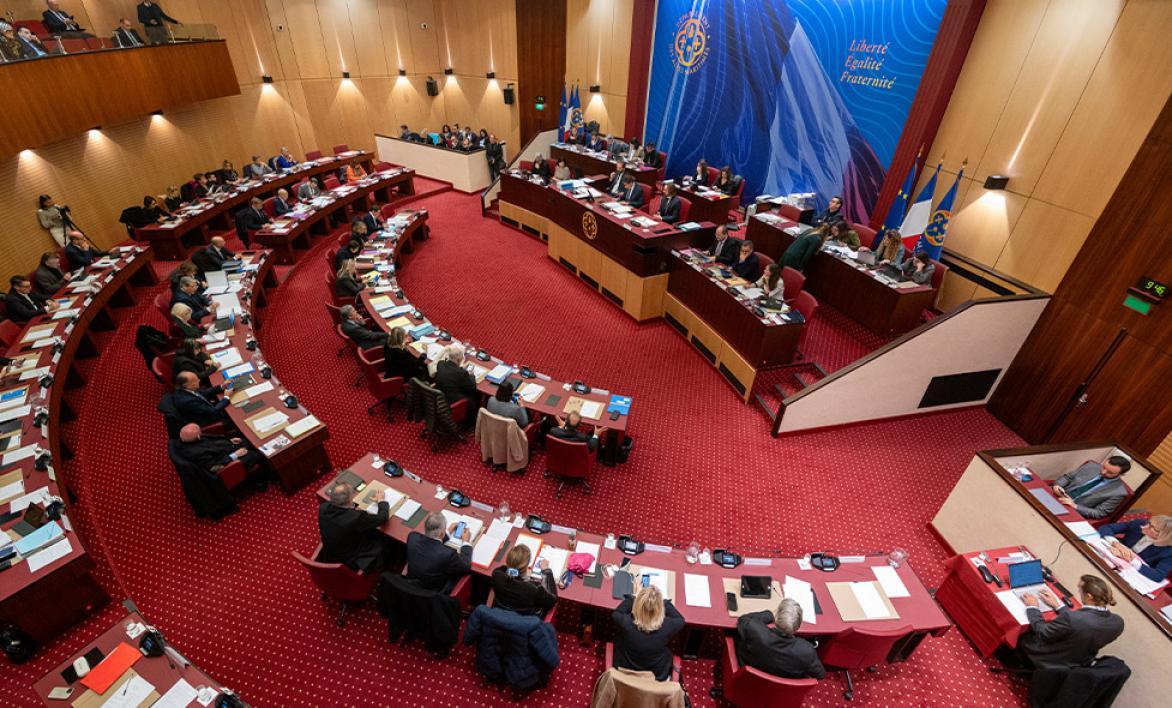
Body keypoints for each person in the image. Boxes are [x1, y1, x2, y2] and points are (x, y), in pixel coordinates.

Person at [1018, 575, 1124, 670]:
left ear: (1089, 596)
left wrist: (1033, 607)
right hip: (1077, 664)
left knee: (1023, 634)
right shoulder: (1118, 623)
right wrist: (1058, 606)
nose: (1078, 591)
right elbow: (1081, 623)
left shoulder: (1073, 618)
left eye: (1079, 589)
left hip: (1048, 659)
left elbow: (1043, 633)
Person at [734, 598, 825, 679]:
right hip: (780, 690)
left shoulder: (754, 630)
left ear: (776, 618)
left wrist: (769, 614)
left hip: (748, 678)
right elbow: (820, 675)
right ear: (798, 627)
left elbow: (743, 619)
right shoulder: (806, 651)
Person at [612, 585, 685, 681]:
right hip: (655, 676)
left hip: (625, 672)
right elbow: (680, 619)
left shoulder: (626, 622)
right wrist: (662, 602)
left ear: (636, 605)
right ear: (660, 610)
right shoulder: (667, 626)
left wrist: (633, 598)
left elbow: (617, 613)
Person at [318, 480, 391, 572]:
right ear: (349, 499)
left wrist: (353, 508)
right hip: (351, 558)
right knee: (385, 540)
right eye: (352, 493)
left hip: (333, 552)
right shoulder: (355, 518)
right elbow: (382, 518)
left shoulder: (323, 507)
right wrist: (381, 501)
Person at [405, 510, 472, 592]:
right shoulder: (448, 554)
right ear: (441, 534)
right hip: (432, 592)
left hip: (409, 585)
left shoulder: (412, 537)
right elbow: (465, 567)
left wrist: (447, 532)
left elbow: (432, 542)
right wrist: (466, 542)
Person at [1051, 456, 1132, 520]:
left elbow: (1099, 513)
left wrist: (1074, 506)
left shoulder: (1119, 492)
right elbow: (1068, 477)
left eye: (1110, 472)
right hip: (1056, 495)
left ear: (1121, 474)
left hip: (1071, 510)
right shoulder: (1091, 466)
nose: (1103, 472)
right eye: (1104, 467)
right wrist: (1057, 485)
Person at [175, 423, 263, 481]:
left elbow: (214, 440)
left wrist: (229, 440)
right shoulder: (196, 453)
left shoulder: (186, 439)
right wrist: (235, 455)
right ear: (198, 436)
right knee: (255, 454)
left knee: (246, 441)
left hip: (224, 448)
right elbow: (214, 467)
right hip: (227, 461)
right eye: (200, 432)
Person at [1098, 515, 1172, 582]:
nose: (1145, 526)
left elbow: (1158, 576)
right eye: (1149, 522)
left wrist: (1132, 560)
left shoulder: (1169, 552)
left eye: (1153, 528)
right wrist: (1116, 543)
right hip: (1110, 555)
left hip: (1127, 574)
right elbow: (1106, 528)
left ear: (1164, 536)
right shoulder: (1139, 523)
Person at [490, 544, 557, 616]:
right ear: (527, 565)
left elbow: (507, 571)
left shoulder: (497, 574)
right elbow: (552, 600)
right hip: (523, 619)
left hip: (500, 614)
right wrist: (547, 571)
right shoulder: (534, 589)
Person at [434, 344, 479, 425]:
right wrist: (472, 376)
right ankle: (470, 423)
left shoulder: (440, 364)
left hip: (439, 397)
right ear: (458, 360)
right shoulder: (461, 373)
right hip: (454, 402)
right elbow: (472, 387)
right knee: (476, 396)